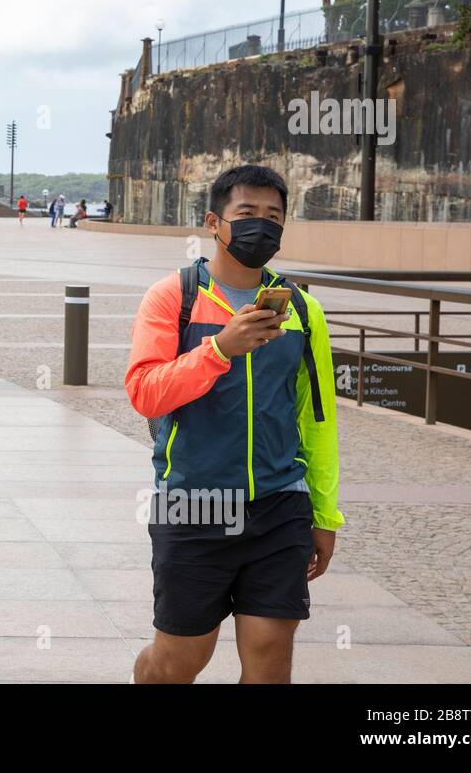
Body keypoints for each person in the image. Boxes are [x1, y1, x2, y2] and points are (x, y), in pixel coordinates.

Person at [125, 165, 341, 684]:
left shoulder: (303, 312)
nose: (261, 226)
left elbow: (318, 418)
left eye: (274, 217)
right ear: (214, 222)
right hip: (194, 501)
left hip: (278, 503)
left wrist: (324, 513)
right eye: (247, 214)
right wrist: (220, 348)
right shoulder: (173, 297)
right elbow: (145, 391)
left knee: (270, 657)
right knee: (178, 660)